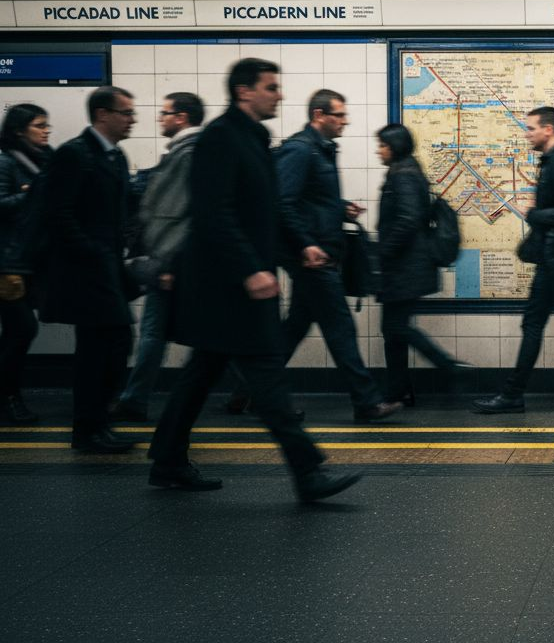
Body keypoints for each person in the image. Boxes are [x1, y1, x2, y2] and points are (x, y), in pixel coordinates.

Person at [149, 58, 360, 500]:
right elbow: (214, 213)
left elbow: (265, 206)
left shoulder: (256, 138)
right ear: (244, 91)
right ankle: (308, 473)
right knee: (266, 376)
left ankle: (167, 460)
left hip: (238, 281)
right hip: (226, 284)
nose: (279, 95)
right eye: (271, 87)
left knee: (200, 376)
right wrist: (252, 270)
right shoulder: (220, 139)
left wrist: (300, 244)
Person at [267, 89, 400, 423]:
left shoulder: (321, 151)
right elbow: (283, 203)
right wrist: (305, 245)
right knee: (340, 328)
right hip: (314, 257)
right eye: (339, 115)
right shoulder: (301, 150)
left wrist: (341, 210)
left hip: (319, 253)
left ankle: (255, 391)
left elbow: (310, 200)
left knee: (294, 327)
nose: (346, 120)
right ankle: (367, 402)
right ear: (318, 115)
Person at [474, 107, 554, 414]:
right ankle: (512, 394)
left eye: (530, 128)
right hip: (553, 261)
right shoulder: (553, 162)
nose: (527, 133)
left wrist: (534, 214)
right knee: (536, 324)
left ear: (548, 130)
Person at [38, 87, 138, 453]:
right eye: (126, 112)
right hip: (85, 271)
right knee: (100, 349)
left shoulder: (114, 157)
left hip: (107, 268)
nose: (132, 119)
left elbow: (120, 210)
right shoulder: (74, 155)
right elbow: (57, 213)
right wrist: (92, 251)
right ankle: (87, 429)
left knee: (112, 346)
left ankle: (98, 424)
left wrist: (124, 244)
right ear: (102, 114)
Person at [109, 92, 205, 422]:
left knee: (156, 334)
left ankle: (134, 400)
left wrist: (167, 263)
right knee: (206, 338)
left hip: (174, 264)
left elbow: (182, 216)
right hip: (179, 263)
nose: (159, 118)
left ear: (181, 117)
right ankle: (257, 395)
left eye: (164, 113)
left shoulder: (188, 152)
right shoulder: (187, 150)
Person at [373, 123, 467, 406]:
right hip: (405, 265)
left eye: (382, 145)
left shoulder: (403, 176)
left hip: (405, 266)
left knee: (396, 328)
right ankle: (399, 389)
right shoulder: (406, 171)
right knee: (393, 330)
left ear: (394, 147)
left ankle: (447, 367)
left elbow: (407, 220)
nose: (379, 151)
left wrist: (383, 252)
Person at [0, 103, 53, 424]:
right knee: (22, 329)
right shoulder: (6, 161)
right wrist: (32, 193)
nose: (46, 131)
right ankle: (9, 397)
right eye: (39, 125)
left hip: (30, 261)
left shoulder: (43, 160)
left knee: (16, 332)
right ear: (20, 130)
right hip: (8, 263)